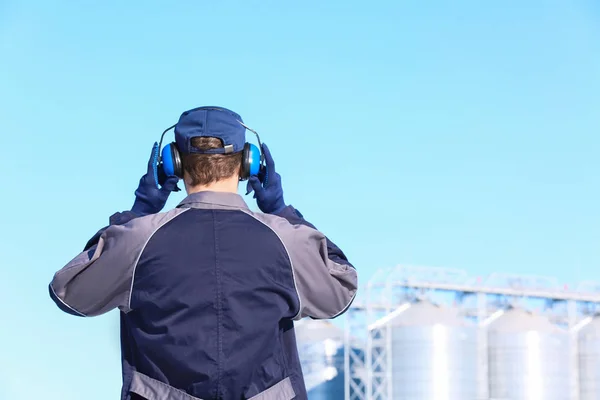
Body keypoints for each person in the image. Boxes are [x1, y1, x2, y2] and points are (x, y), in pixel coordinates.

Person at [48, 106, 358, 400]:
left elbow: (69, 292)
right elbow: (341, 290)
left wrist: (138, 211)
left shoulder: (138, 239)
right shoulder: (286, 240)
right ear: (249, 163)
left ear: (172, 163)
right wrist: (282, 211)